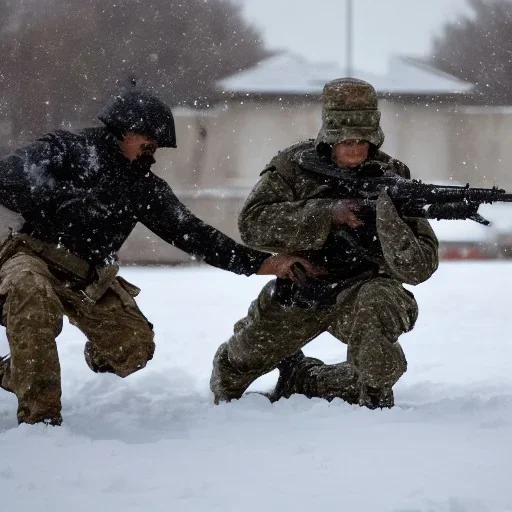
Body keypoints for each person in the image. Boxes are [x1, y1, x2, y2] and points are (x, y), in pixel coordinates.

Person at [0, 89, 318, 426]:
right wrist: (67, 197)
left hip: (87, 278)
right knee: (31, 295)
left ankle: (23, 364)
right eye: (148, 141)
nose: (153, 151)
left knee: (133, 346)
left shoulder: (142, 187)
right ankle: (42, 422)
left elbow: (195, 234)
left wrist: (267, 264)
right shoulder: (67, 150)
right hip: (33, 255)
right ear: (123, 129)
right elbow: (6, 178)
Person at [210, 78, 439, 409]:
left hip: (361, 291)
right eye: (346, 141)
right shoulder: (295, 167)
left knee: (372, 372)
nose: (356, 149)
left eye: (363, 141)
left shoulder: (391, 176)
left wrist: (387, 218)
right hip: (302, 290)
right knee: (230, 379)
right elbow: (252, 223)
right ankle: (284, 371)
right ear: (329, 136)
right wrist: (327, 214)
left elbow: (420, 267)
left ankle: (319, 382)